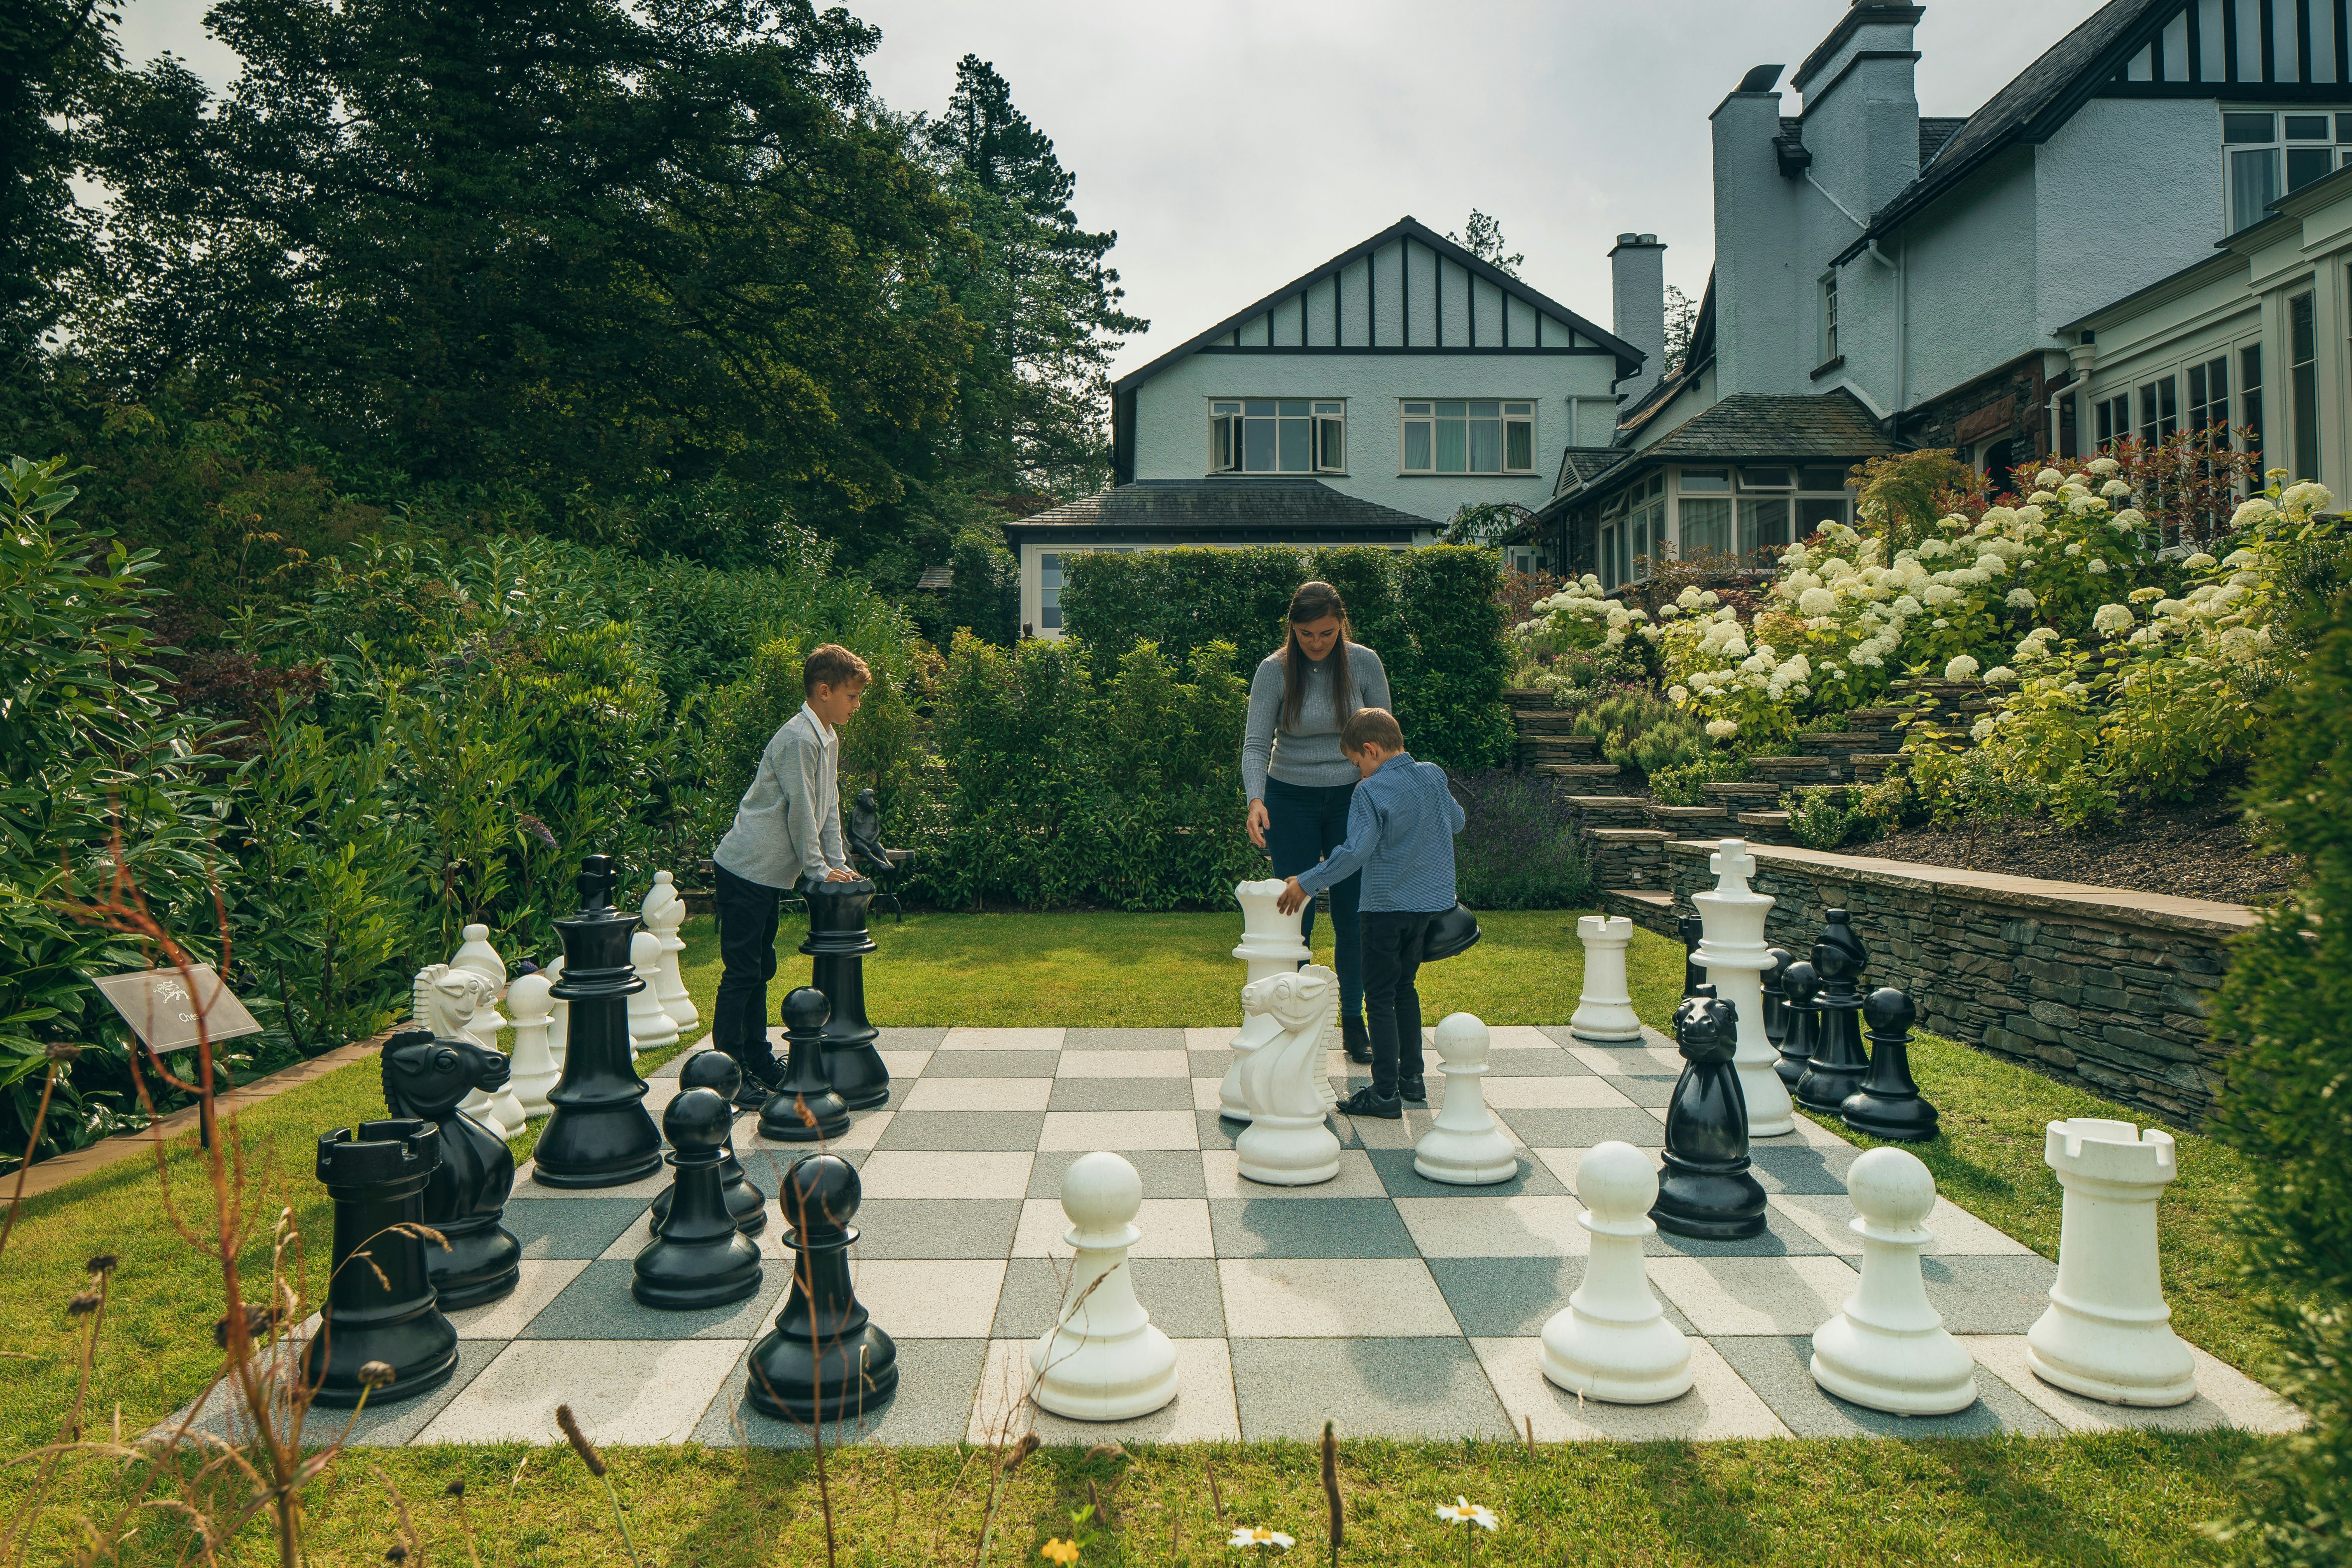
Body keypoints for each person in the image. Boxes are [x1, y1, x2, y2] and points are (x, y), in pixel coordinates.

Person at [1275, 707, 1464, 1120]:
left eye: (1357, 764)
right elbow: (1457, 821)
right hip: (1427, 910)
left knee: (1378, 997)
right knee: (1404, 990)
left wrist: (1306, 881)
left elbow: (1355, 852)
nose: (1358, 773)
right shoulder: (1433, 775)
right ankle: (1413, 1079)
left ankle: (1384, 1094)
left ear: (1370, 749)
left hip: (1383, 910)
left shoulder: (1370, 791)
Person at [1243, 580, 1392, 1064]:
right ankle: (1290, 1018)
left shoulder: (1364, 662)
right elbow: (1254, 744)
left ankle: (1353, 1019)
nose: (1316, 642)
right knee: (1295, 910)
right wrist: (1255, 799)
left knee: (1352, 914)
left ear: (1340, 624)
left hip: (1355, 797)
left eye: (1326, 633)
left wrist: (1386, 798)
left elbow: (1384, 739)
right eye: (1306, 633)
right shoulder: (1274, 670)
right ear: (1292, 627)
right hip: (1289, 799)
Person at [710, 644, 870, 1087]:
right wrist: (818, 870)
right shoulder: (798, 737)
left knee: (761, 968)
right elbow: (801, 809)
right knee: (743, 971)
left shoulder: (826, 736)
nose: (857, 705)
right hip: (745, 868)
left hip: (765, 874)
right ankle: (725, 1072)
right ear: (825, 691)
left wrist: (839, 863)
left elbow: (828, 805)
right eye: (852, 697)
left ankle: (757, 1060)